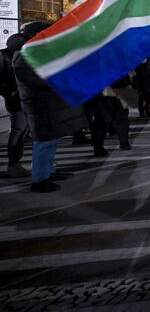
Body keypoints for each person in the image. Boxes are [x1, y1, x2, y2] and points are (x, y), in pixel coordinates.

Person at [13, 22, 88, 192]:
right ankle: (39, 179)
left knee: (51, 141)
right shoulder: (24, 55)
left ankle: (48, 171)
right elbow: (36, 79)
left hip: (49, 105)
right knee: (44, 142)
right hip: (39, 106)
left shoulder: (38, 53)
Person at [0, 32, 30, 177]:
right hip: (15, 101)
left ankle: (15, 164)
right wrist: (10, 92)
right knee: (19, 130)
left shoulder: (22, 55)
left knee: (22, 131)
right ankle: (13, 165)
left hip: (25, 98)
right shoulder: (3, 56)